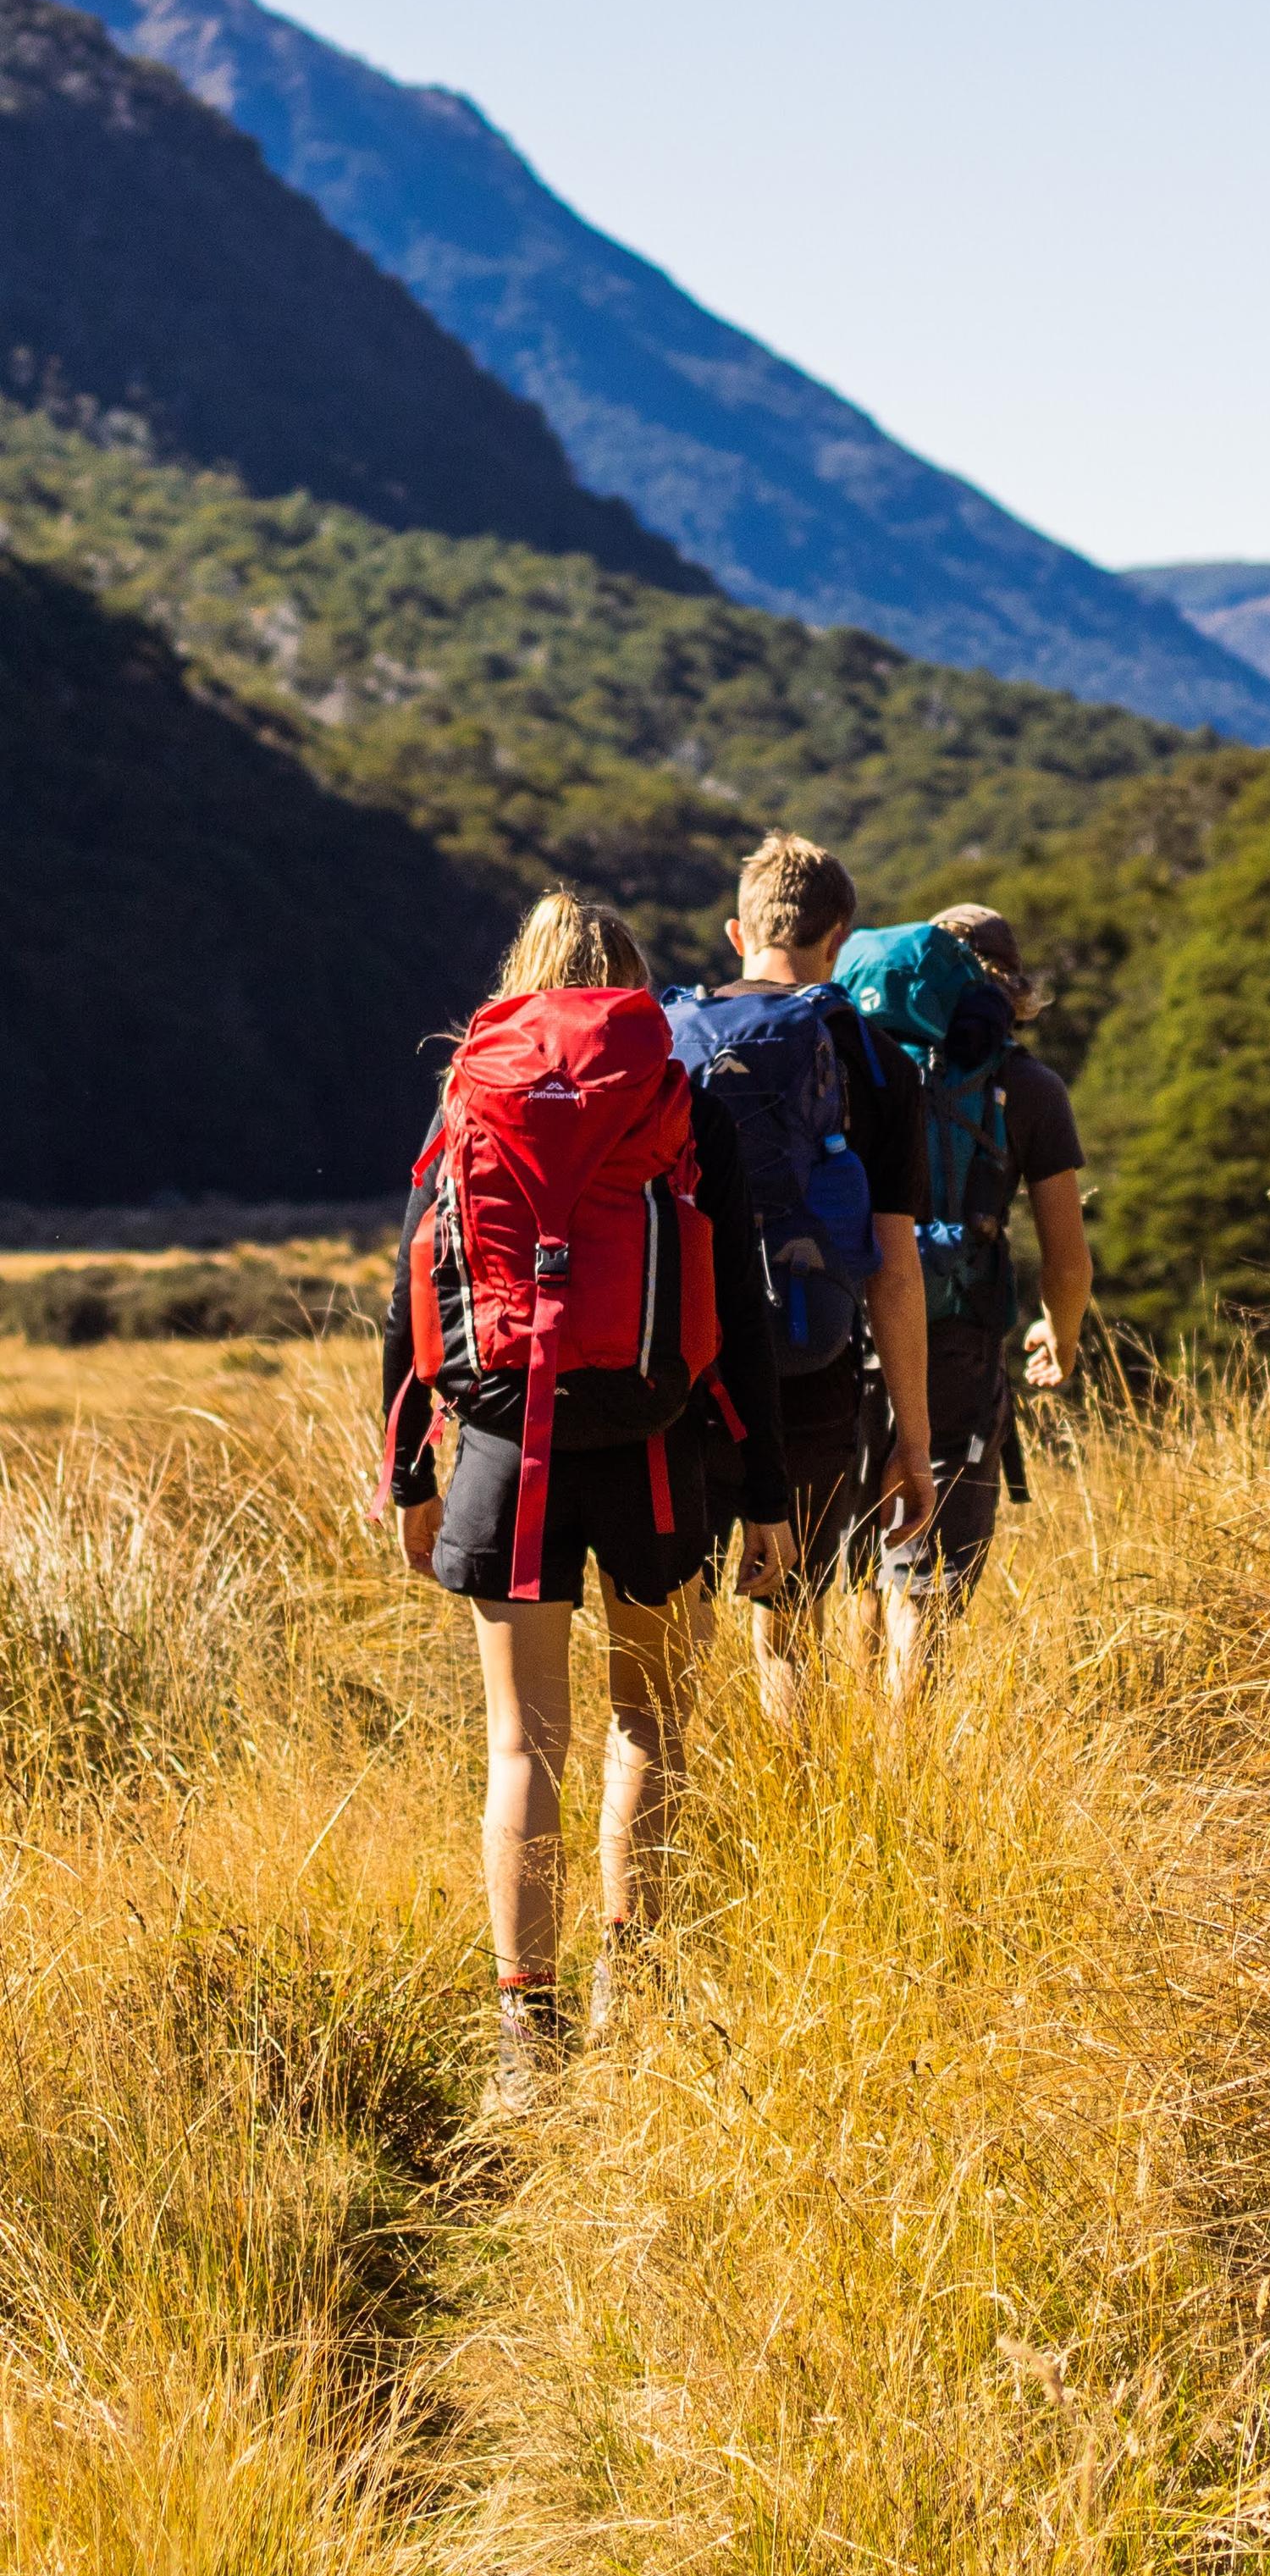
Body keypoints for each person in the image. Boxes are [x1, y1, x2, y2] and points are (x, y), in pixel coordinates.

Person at [383, 891, 792, 2117]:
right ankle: (636, 1979)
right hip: (659, 1446)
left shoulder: (471, 1095)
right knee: (653, 1724)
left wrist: (412, 1469)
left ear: (520, 976)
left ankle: (525, 2026)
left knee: (523, 1743)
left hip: (507, 1450)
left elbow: (406, 1290)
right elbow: (746, 1310)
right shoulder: (682, 1097)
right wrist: (764, 1488)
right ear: (631, 983)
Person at [665, 832, 937, 1728]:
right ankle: (796, 1825)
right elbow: (894, 1269)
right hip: (808, 1361)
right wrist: (911, 1436)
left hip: (680, 1363)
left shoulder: (668, 1046)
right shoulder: (875, 1061)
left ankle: (675, 1821)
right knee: (790, 1621)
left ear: (738, 932)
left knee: (676, 1621)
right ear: (841, 936)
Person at [852, 904, 1091, 1697]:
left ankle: (828, 1780)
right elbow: (1067, 1257)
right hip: (954, 1338)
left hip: (847, 1334)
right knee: (923, 1579)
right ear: (1012, 991)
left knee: (852, 1560)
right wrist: (1062, 1336)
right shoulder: (1028, 1087)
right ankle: (902, 1782)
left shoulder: (862, 1057)